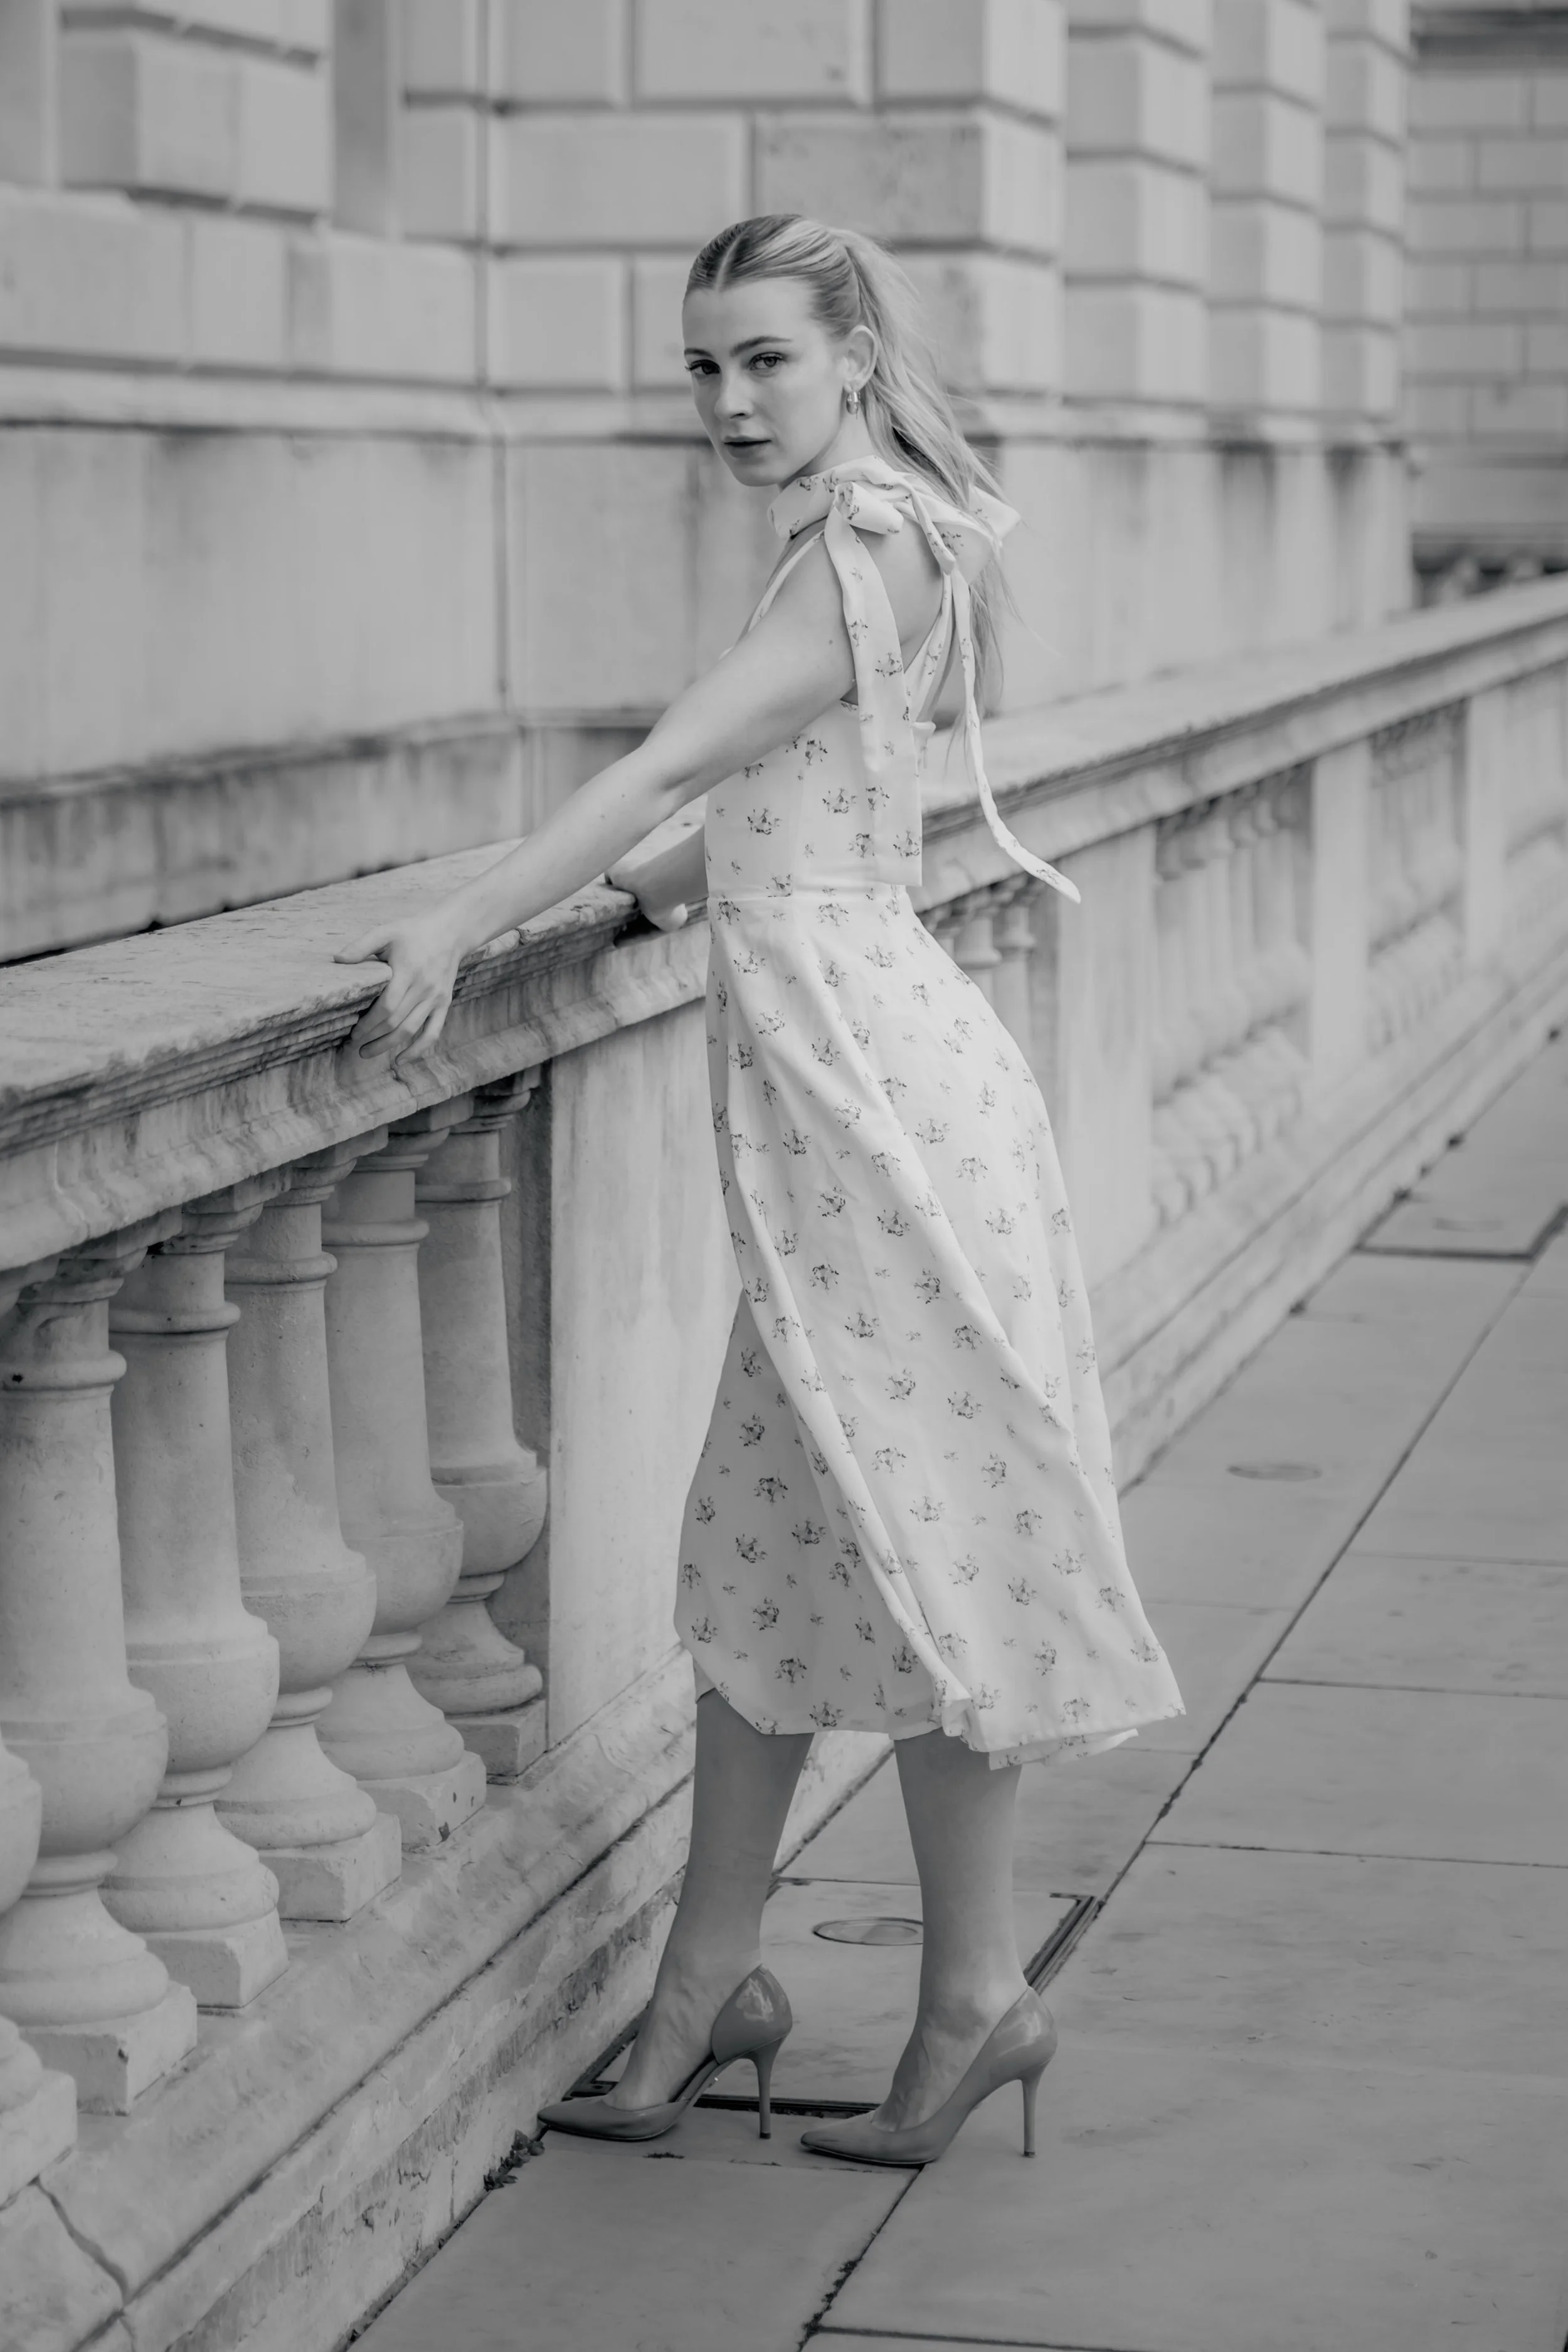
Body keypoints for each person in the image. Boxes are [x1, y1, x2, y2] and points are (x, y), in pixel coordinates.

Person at [339, 214, 1184, 2168]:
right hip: (847, 1086)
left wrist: (465, 916)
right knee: (776, 1546)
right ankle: (705, 1980)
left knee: (922, 1530)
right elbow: (782, 803)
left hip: (876, 1101)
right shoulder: (868, 528)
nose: (727, 402)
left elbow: (673, 761)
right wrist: (651, 897)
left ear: (854, 353)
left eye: (763, 363)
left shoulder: (867, 532)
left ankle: (976, 1992)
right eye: (701, 368)